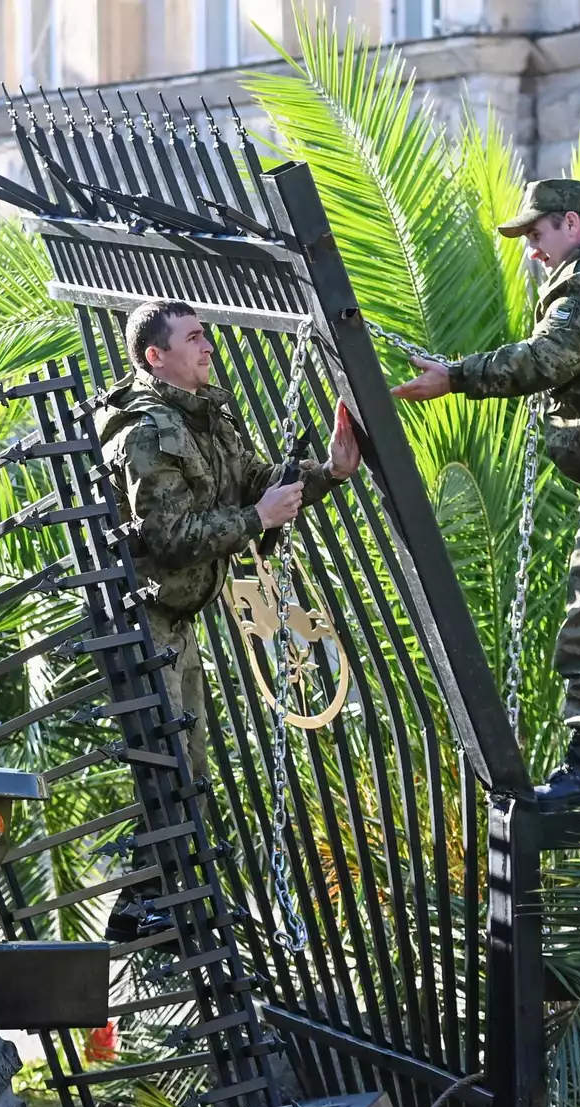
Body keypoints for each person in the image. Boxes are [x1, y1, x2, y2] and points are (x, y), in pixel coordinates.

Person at [391, 178, 580, 811]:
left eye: (536, 234)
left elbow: (546, 359)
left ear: (572, 224)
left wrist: (455, 377)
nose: (532, 250)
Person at [97, 299, 362, 940]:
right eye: (194, 339)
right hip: (144, 616)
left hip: (177, 619)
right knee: (167, 760)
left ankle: (174, 894)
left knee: (189, 762)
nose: (208, 347)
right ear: (155, 357)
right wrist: (257, 520)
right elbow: (168, 535)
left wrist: (326, 471)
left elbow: (253, 484)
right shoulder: (146, 431)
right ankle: (141, 904)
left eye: (206, 336)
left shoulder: (203, 416)